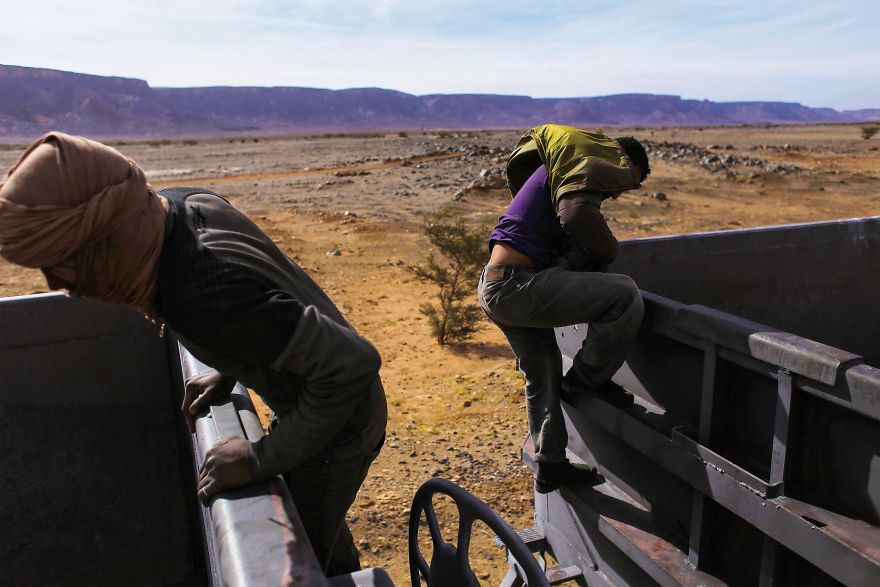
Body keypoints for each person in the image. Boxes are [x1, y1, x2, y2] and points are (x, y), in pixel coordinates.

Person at [0, 132, 387, 577]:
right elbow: (258, 295)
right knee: (317, 521)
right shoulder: (176, 204)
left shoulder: (199, 296)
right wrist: (227, 368)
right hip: (322, 400)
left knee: (304, 554)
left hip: (342, 426)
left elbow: (354, 365)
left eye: (62, 259)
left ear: (106, 236)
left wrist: (260, 459)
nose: (56, 283)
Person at [478, 124, 649, 494]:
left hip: (496, 283)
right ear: (621, 162)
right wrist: (609, 253)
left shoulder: (558, 171)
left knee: (542, 372)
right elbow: (576, 217)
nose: (616, 192)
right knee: (623, 294)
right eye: (623, 184)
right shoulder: (585, 174)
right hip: (516, 286)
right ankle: (587, 382)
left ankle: (550, 464)